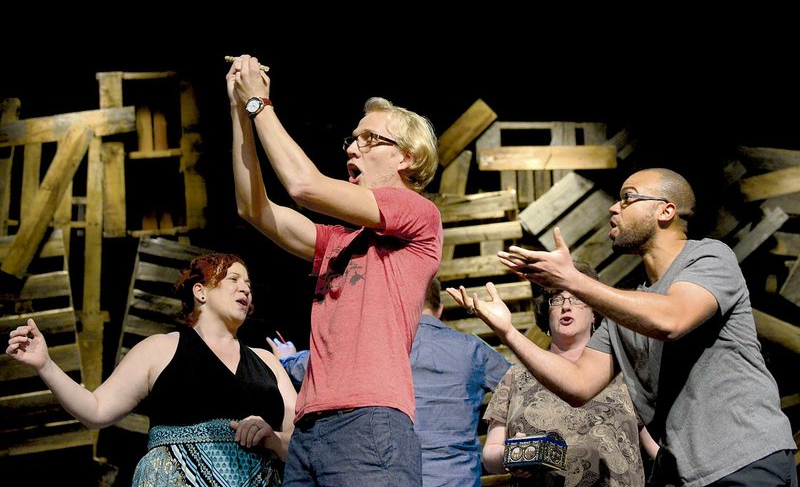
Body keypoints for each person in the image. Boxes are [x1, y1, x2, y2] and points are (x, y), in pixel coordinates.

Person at [448, 168, 798, 486]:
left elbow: (672, 319)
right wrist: (508, 332)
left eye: (628, 198)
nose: (614, 208)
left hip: (745, 460)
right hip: (686, 474)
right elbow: (579, 384)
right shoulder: (626, 308)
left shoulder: (709, 258)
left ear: (666, 211)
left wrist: (574, 280)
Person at [227, 55, 443, 485]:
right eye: (352, 138)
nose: (351, 147)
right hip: (310, 428)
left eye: (369, 139)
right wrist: (239, 109)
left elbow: (303, 186)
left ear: (406, 157)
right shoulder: (338, 241)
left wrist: (259, 104)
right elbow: (252, 208)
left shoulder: (417, 211)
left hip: (369, 423)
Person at [6, 253, 297, 486]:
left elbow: (302, 439)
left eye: (248, 282)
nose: (245, 287)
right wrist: (46, 364)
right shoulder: (160, 349)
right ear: (201, 291)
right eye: (233, 278)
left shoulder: (268, 362)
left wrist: (274, 438)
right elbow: (95, 410)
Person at [268, 277, 512, 487]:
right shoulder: (472, 350)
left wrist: (289, 359)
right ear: (439, 310)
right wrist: (497, 430)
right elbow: (521, 384)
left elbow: (315, 366)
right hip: (456, 478)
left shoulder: (374, 342)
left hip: (387, 474)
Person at [482, 261, 645, 486]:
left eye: (577, 298)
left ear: (595, 313)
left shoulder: (621, 370)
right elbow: (490, 454)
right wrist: (512, 454)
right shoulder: (517, 376)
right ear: (546, 313)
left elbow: (656, 445)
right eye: (557, 299)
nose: (566, 306)